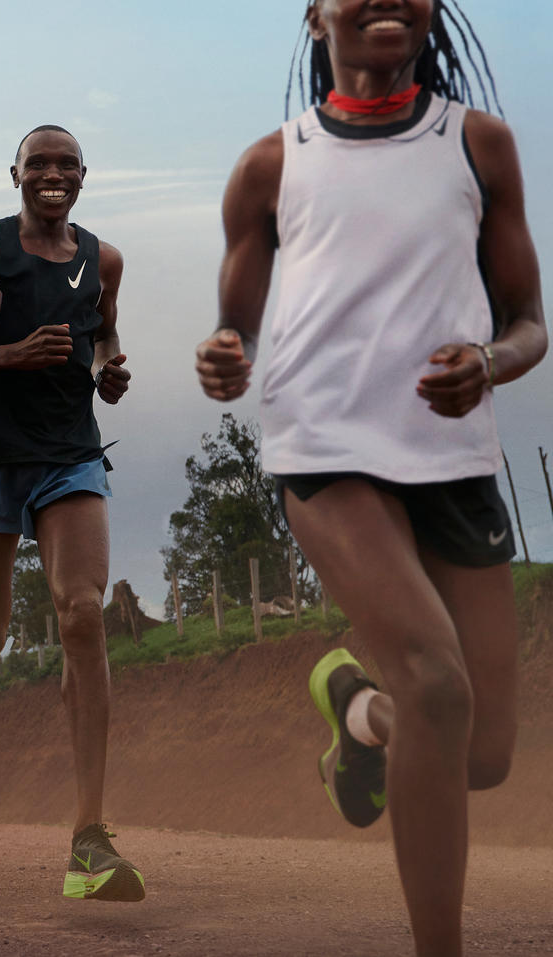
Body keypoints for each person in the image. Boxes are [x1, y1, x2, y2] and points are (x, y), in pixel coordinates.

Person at [195, 2, 544, 954]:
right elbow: (240, 329)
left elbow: (528, 321)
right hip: (322, 444)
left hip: (450, 451)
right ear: (316, 16)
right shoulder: (273, 164)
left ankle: (356, 707)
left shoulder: (480, 147)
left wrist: (491, 361)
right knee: (437, 681)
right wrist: (228, 355)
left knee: (479, 753)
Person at [0, 125, 144, 903]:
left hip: (71, 453)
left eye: (65, 164)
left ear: (84, 176)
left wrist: (108, 369)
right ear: (15, 173)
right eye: (37, 163)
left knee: (82, 612)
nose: (52, 174)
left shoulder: (101, 259)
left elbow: (103, 333)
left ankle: (90, 834)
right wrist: (4, 354)